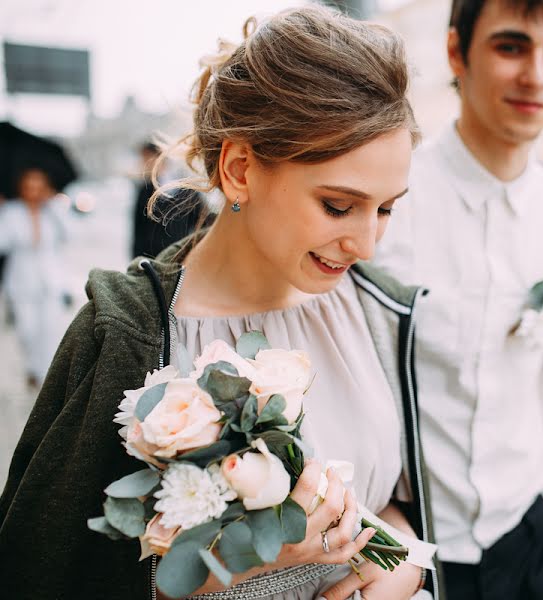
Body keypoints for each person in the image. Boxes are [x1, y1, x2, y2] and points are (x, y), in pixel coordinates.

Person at [0, 7, 440, 599]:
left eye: (385, 208)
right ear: (238, 170)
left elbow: (400, 505)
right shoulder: (126, 334)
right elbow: (45, 571)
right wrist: (237, 565)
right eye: (339, 205)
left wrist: (402, 571)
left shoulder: (378, 311)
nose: (365, 244)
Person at [373, 0, 543, 598]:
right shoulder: (388, 197)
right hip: (407, 557)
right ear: (455, 53)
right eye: (511, 46)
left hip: (529, 544)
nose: (537, 76)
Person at [0, 168, 70, 390]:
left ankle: (44, 378)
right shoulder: (11, 212)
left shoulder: (51, 210)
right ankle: (32, 367)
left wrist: (55, 206)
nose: (34, 191)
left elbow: (69, 234)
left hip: (50, 281)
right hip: (21, 282)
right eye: (29, 186)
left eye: (38, 186)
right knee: (27, 330)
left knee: (49, 329)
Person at [132, 140, 210, 259]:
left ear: (160, 158)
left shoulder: (186, 189)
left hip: (180, 260)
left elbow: (204, 222)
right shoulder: (145, 190)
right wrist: (137, 262)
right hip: (152, 261)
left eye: (147, 159)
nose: (144, 164)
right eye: (143, 160)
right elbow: (138, 231)